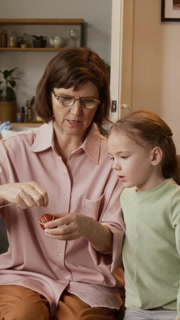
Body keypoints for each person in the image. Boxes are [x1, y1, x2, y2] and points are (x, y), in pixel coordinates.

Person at [0, 48, 125, 320]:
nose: (76, 111)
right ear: (48, 95)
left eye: (88, 101)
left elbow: (113, 241)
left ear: (100, 103)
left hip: (90, 283)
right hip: (23, 277)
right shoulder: (11, 150)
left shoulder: (116, 159)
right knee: (23, 316)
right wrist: (2, 192)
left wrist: (90, 228)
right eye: (66, 98)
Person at [107, 110, 180, 320]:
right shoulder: (125, 197)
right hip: (137, 308)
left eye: (124, 156)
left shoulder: (174, 201)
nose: (115, 165)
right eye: (112, 158)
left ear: (155, 156)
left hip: (174, 308)